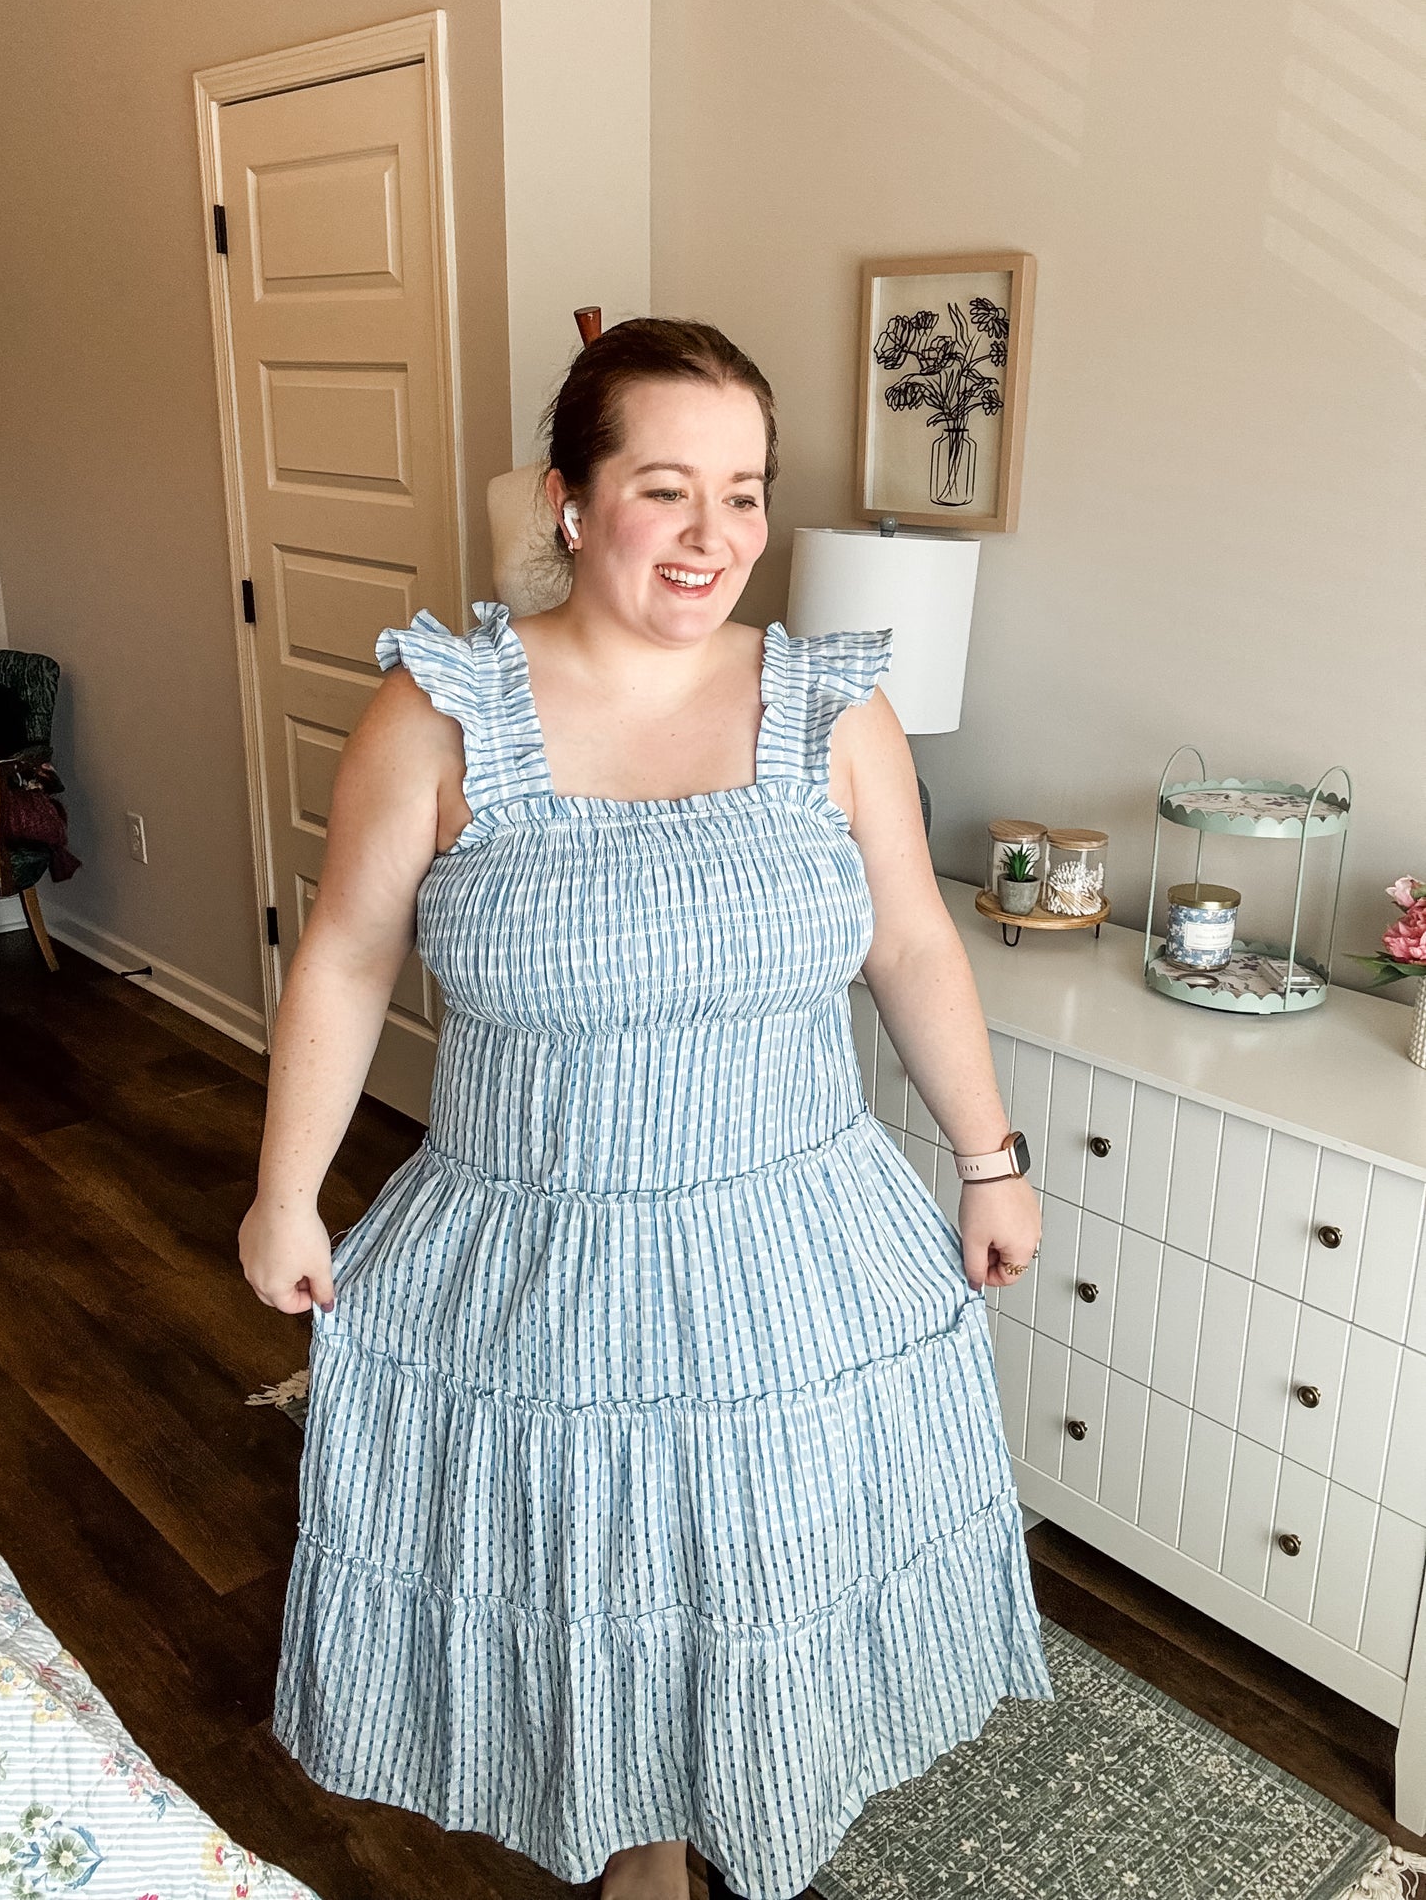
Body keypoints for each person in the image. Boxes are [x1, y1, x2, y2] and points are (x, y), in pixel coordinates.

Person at [240, 317, 1054, 1900]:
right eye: (663, 489)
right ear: (568, 500)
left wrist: (989, 1160)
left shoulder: (831, 711)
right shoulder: (440, 714)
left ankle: (753, 1808)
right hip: (545, 1253)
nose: (710, 536)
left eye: (741, 494)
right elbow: (342, 955)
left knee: (765, 1573)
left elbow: (908, 944)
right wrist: (287, 1191)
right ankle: (644, 1858)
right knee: (594, 1582)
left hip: (794, 1244)